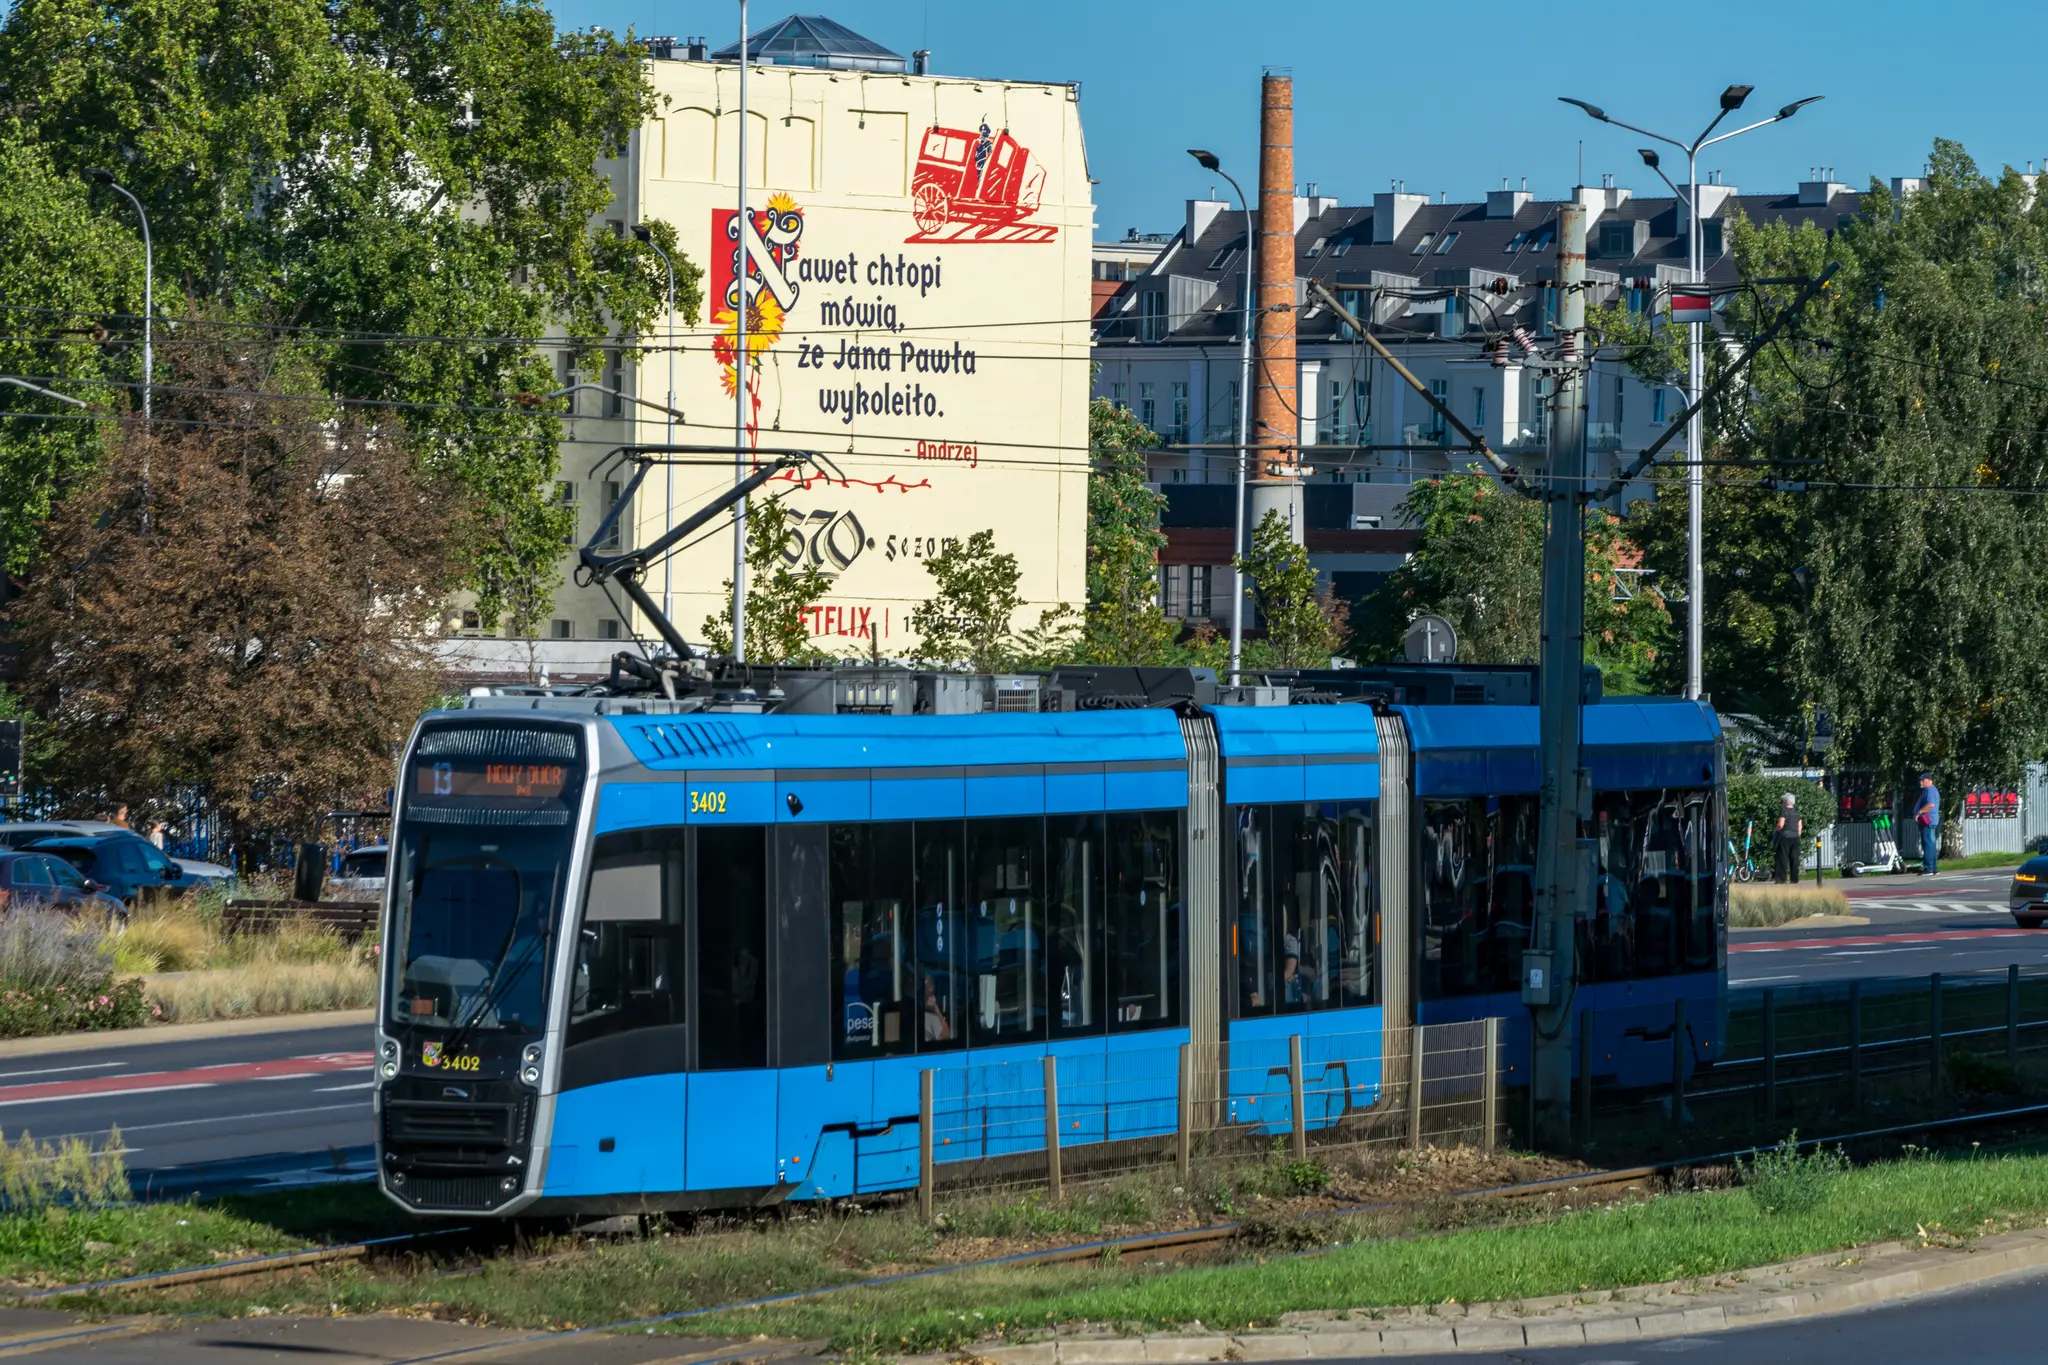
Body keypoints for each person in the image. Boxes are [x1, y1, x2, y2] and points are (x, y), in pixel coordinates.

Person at [1772, 793, 1803, 884]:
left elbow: (1781, 824)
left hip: (1785, 837)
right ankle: (1794, 879)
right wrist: (1797, 834)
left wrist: (1776, 829)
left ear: (1785, 802)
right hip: (1795, 837)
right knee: (1794, 858)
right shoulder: (1796, 812)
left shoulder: (1784, 811)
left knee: (1782, 858)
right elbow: (1800, 825)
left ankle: (1781, 879)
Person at [1915, 772, 1941, 875]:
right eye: (1920, 780)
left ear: (1929, 781)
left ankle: (1929, 868)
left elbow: (1930, 805)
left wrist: (1919, 812)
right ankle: (1933, 867)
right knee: (1931, 844)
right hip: (1930, 820)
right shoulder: (1930, 790)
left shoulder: (1930, 790)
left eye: (1923, 780)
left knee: (1928, 844)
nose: (1921, 782)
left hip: (1927, 820)